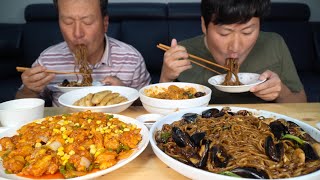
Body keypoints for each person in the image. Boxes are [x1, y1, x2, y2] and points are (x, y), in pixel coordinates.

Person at [160, 0, 307, 104]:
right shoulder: (183, 54)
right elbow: (160, 115)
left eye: (247, 32)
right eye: (224, 33)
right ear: (204, 25)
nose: (236, 47)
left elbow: (301, 105)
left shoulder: (274, 44)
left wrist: (281, 92)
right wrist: (166, 78)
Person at [16, 0, 151, 106]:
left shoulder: (131, 59)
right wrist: (30, 90)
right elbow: (20, 106)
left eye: (87, 22)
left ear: (105, 24)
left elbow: (146, 108)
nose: (77, 33)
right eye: (68, 22)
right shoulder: (47, 61)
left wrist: (125, 94)